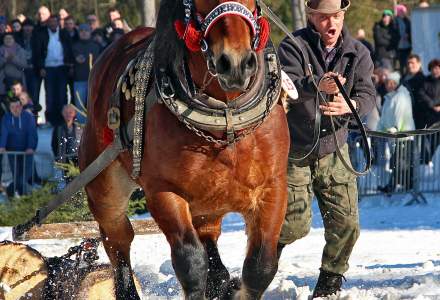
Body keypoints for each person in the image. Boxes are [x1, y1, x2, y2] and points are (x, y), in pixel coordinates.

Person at [277, 0, 375, 297]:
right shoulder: (293, 45)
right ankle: (262, 259)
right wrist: (315, 84)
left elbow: (367, 93)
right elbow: (286, 83)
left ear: (343, 15)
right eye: (323, 18)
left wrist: (352, 104)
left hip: (335, 149)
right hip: (296, 150)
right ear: (312, 17)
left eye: (336, 17)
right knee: (293, 226)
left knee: (347, 224)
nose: (331, 25)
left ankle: (330, 280)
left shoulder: (358, 52)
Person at [377, 72, 415, 193]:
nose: (389, 85)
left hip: (403, 136)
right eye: (387, 82)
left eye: (391, 82)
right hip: (394, 136)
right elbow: (384, 117)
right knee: (397, 161)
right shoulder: (389, 97)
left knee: (401, 162)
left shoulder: (401, 96)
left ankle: (401, 186)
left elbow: (400, 114)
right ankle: (397, 185)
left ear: (396, 83)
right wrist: (378, 131)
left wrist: (396, 128)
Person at [33, 14, 74, 126]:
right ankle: (50, 119)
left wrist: (70, 65)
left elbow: (69, 50)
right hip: (48, 68)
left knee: (62, 94)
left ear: (58, 23)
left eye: (54, 22)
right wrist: (41, 67)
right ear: (47, 23)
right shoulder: (42, 35)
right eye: (50, 22)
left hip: (62, 67)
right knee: (49, 95)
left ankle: (63, 119)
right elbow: (38, 53)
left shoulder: (64, 34)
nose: (52, 24)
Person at [0, 97, 38, 196]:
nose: (15, 109)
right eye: (12, 107)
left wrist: (31, 147)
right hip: (12, 152)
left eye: (17, 106)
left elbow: (32, 133)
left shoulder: (28, 117)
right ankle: (18, 196)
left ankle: (13, 192)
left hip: (27, 152)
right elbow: (3, 133)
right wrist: (2, 146)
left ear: (21, 107)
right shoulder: (6, 117)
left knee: (24, 176)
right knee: (16, 176)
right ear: (9, 108)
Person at [72, 24, 101, 124]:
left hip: (94, 80)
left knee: (94, 104)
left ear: (90, 32)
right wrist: (76, 59)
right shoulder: (74, 46)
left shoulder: (96, 46)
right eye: (81, 30)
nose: (84, 32)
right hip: (79, 80)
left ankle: (93, 125)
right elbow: (70, 60)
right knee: (80, 106)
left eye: (86, 30)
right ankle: (81, 128)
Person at [418, 59, 440, 163]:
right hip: (428, 116)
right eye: (433, 69)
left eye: (437, 68)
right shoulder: (426, 81)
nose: (435, 71)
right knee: (428, 140)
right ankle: (426, 161)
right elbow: (421, 93)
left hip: (439, 116)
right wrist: (432, 105)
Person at [402, 54, 425, 129]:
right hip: (405, 114)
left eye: (412, 63)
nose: (410, 65)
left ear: (419, 64)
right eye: (408, 63)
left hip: (419, 116)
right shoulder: (403, 79)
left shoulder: (424, 80)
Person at [395, 4, 412, 74]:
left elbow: (411, 30)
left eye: (404, 11)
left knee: (407, 63)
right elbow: (393, 32)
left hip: (407, 45)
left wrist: (408, 35)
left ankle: (406, 75)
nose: (404, 13)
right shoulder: (395, 21)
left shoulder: (407, 20)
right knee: (401, 64)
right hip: (399, 46)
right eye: (402, 11)